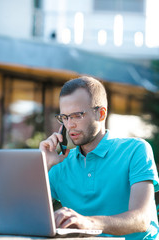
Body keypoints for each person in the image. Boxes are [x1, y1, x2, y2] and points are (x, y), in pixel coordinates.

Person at [40, 76, 159, 240]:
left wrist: (88, 223)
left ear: (101, 114)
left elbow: (141, 220)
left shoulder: (135, 150)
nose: (69, 125)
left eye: (77, 115)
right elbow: (23, 213)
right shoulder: (60, 163)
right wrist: (43, 166)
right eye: (65, 117)